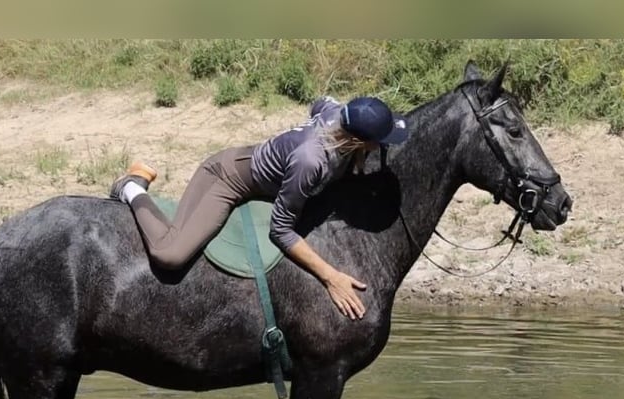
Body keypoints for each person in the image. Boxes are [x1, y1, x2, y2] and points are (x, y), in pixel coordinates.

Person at [110, 96, 409, 320]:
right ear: (357, 141)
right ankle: (132, 186)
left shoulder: (337, 113)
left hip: (264, 165)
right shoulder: (310, 160)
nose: (380, 147)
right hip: (227, 178)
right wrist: (331, 277)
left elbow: (320, 103)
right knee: (170, 255)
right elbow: (280, 230)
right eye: (377, 143)